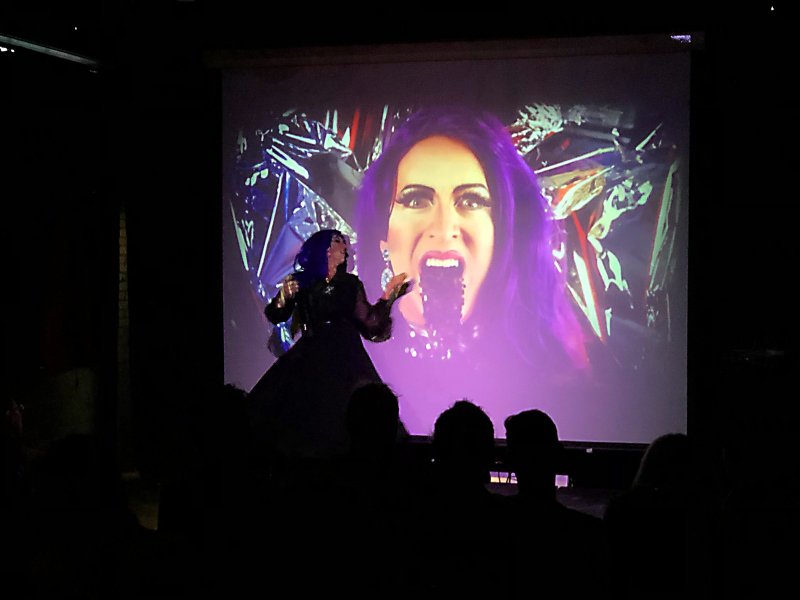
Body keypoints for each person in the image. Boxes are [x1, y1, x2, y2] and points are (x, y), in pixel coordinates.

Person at [355, 107, 589, 433]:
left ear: (501, 235)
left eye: (471, 201)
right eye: (417, 199)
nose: (444, 227)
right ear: (384, 239)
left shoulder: (558, 379)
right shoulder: (355, 368)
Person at [247, 229, 410, 461]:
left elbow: (371, 324)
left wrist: (388, 297)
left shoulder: (350, 284)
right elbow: (276, 314)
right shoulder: (302, 282)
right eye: (337, 242)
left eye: (344, 243)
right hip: (312, 353)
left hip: (346, 355)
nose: (344, 247)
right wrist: (283, 297)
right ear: (323, 249)